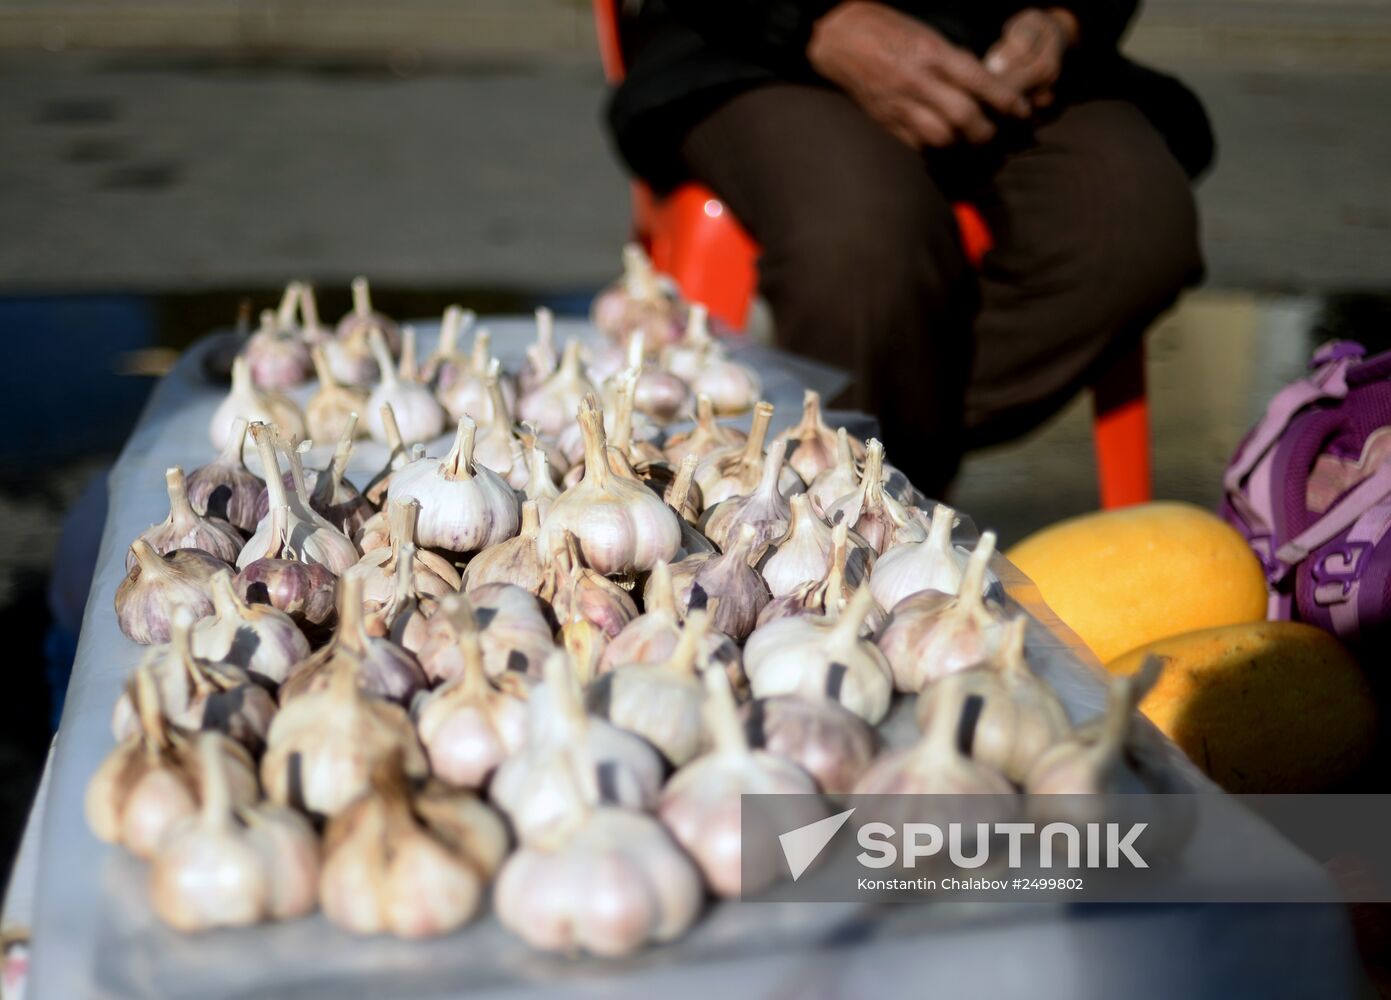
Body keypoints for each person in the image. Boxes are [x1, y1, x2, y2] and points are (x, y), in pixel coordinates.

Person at [607, 0, 1213, 496]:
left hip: (994, 48)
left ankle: (869, 461)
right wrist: (814, 21)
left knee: (1133, 225)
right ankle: (850, 505)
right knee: (862, 242)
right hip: (748, 44)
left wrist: (1064, 18)